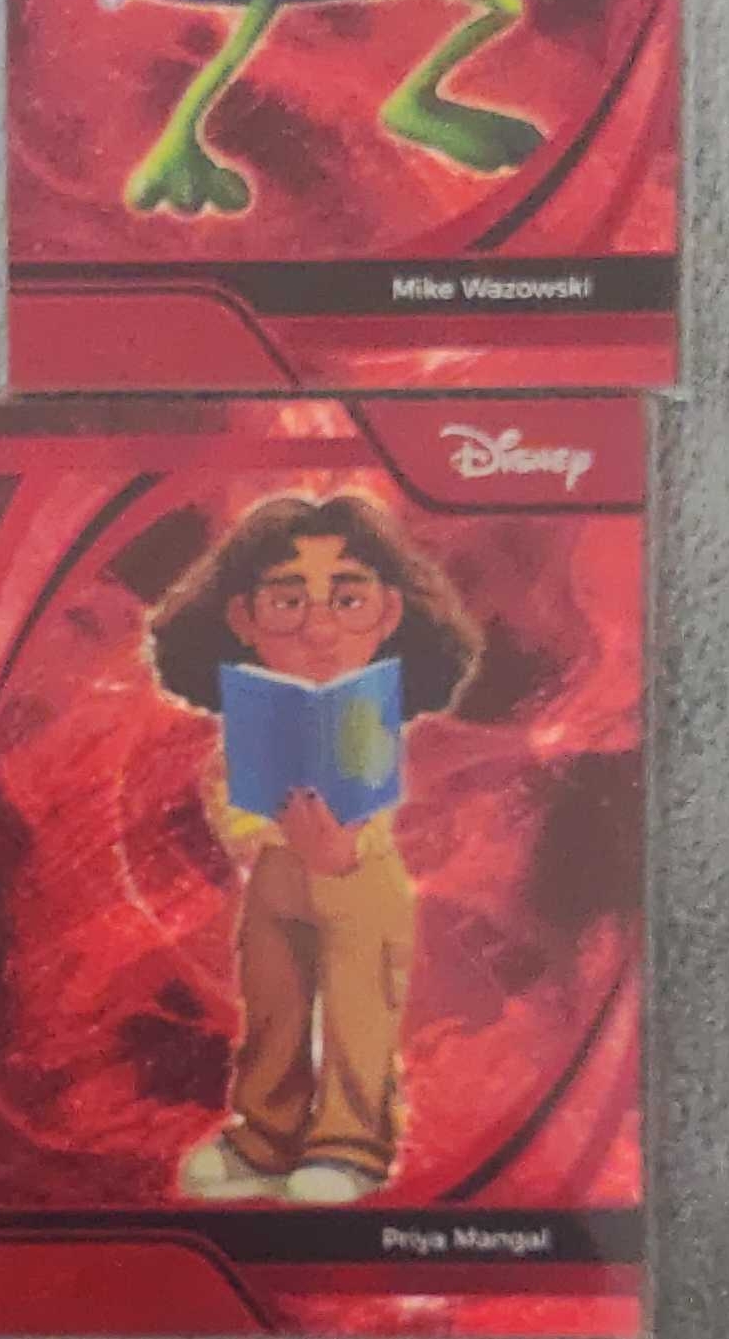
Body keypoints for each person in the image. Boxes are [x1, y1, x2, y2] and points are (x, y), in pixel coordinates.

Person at [149, 492, 481, 1203]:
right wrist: (257, 828)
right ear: (243, 618)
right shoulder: (248, 718)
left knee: (359, 1010)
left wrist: (339, 854)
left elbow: (399, 801)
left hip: (362, 878)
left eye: (348, 601)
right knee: (274, 1006)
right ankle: (264, 1136)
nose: (319, 629)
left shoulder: (379, 713)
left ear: (388, 614)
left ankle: (351, 1144)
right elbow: (230, 801)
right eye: (288, 603)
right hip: (275, 879)